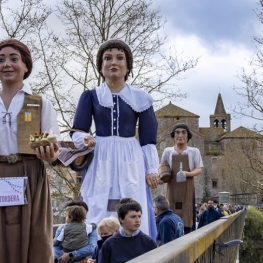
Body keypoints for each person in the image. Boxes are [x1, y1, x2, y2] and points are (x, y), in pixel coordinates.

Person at [71, 39, 159, 239]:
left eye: (120, 58)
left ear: (128, 66)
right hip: (100, 155)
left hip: (130, 157)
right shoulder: (90, 96)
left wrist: (151, 169)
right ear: (100, 66)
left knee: (131, 200)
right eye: (107, 58)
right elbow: (77, 130)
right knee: (98, 202)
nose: (114, 62)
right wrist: (85, 139)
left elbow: (147, 139)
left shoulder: (141, 98)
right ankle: (98, 251)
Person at [0, 38, 60, 263]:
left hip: (31, 175)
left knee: (36, 238)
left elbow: (55, 149)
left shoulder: (40, 102)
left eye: (14, 59)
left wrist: (49, 152)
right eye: (1, 59)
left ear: (26, 65)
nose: (7, 64)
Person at [160, 123, 203, 234]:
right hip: (172, 187)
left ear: (188, 136)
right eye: (177, 132)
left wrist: (187, 174)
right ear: (173, 136)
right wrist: (160, 178)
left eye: (183, 132)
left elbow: (199, 169)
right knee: (171, 211)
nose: (180, 135)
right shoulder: (168, 151)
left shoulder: (194, 151)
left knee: (187, 214)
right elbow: (162, 167)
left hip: (187, 188)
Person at [99, 198, 157, 263]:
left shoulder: (149, 243)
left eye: (139, 216)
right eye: (133, 217)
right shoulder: (109, 244)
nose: (138, 220)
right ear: (121, 219)